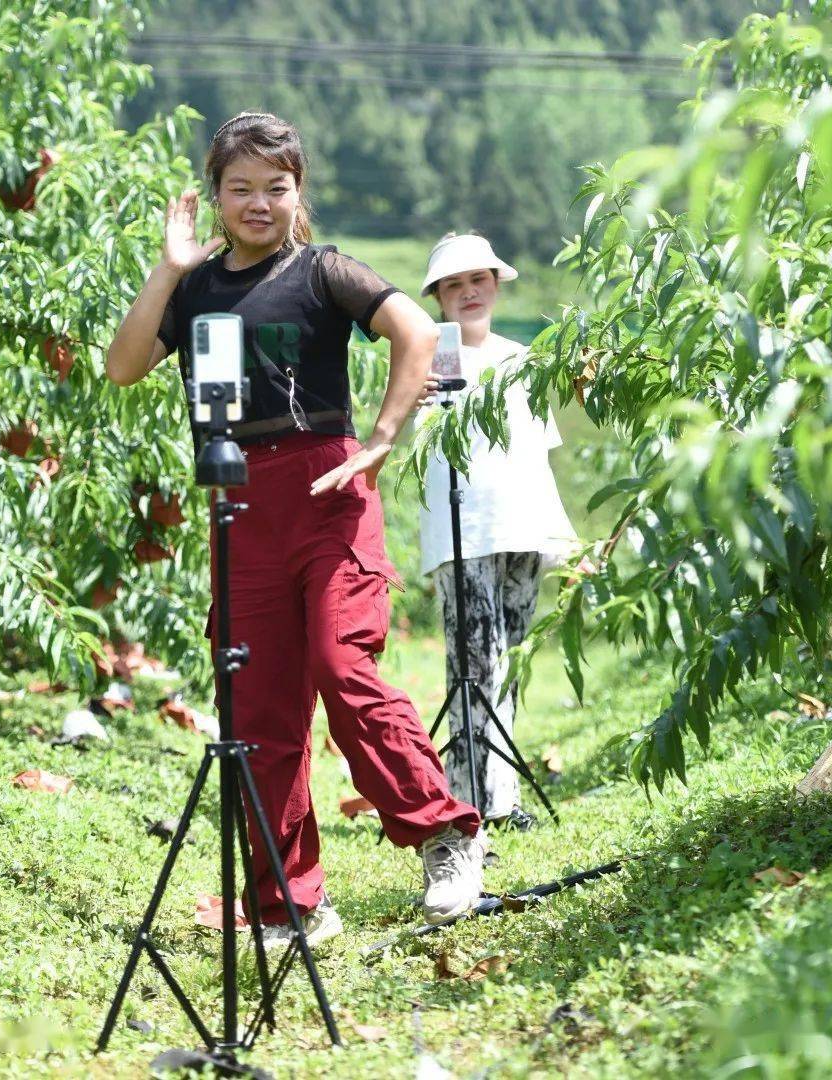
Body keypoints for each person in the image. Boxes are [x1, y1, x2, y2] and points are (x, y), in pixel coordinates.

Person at [106, 113, 484, 943]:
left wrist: (383, 439)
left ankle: (444, 835)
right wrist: (168, 271)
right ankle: (288, 901)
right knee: (258, 708)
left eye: (274, 188)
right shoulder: (197, 286)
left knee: (339, 660)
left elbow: (416, 333)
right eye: (239, 188)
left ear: (297, 192)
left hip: (328, 488)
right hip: (239, 504)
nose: (257, 203)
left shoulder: (322, 271)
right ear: (214, 197)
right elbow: (125, 366)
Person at [414, 232, 578, 829]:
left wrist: (559, 536)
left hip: (520, 524)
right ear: (437, 297)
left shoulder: (520, 358)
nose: (468, 293)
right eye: (453, 285)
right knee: (472, 661)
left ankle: (501, 797)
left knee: (507, 658)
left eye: (476, 281)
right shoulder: (425, 356)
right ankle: (468, 799)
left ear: (495, 285)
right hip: (463, 531)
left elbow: (538, 455)